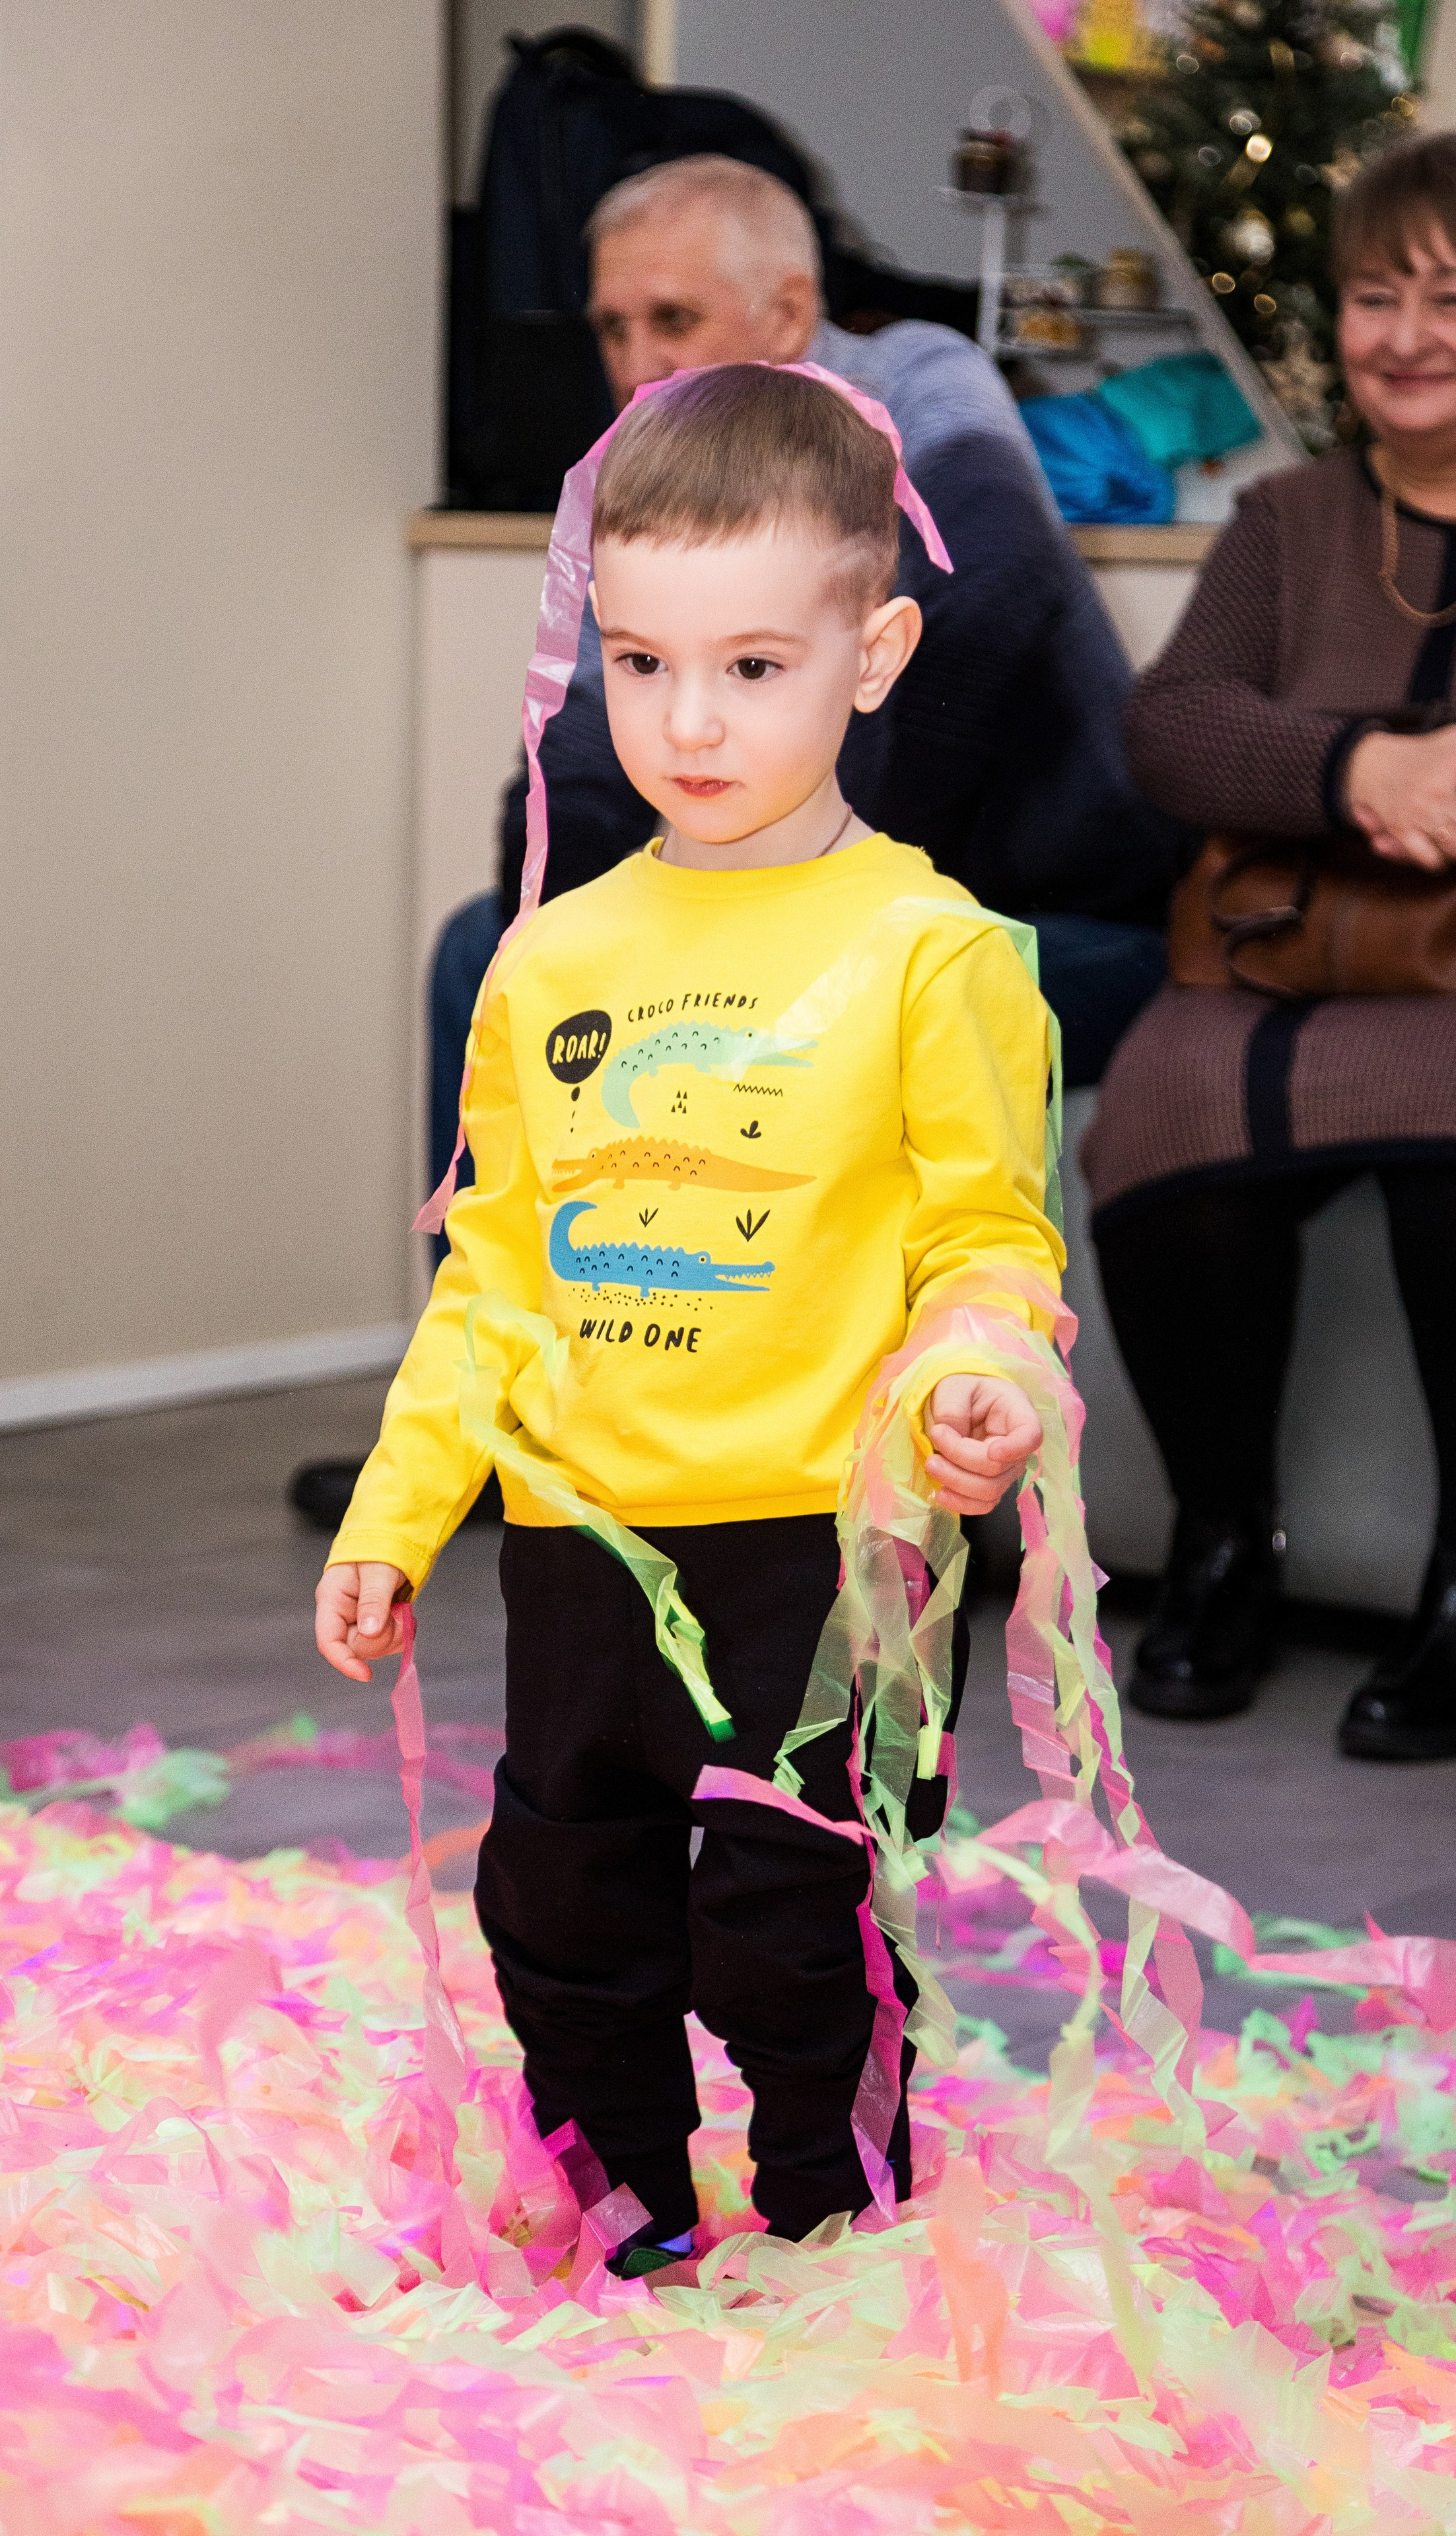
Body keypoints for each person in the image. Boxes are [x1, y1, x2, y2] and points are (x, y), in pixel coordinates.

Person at [315, 365, 1062, 2258]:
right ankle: (625, 2203)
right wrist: (399, 1513)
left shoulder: (936, 953)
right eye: (639, 665)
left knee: (795, 1922)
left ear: (871, 652)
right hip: (580, 1540)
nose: (689, 720)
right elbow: (491, 1277)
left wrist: (980, 1377)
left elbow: (990, 1237)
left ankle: (835, 2224)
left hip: (824, 1549)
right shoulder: (544, 956)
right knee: (566, 1912)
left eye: (750, 666)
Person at [291, 153, 1171, 1539]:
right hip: (797, 907)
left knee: (851, 991)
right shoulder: (646, 488)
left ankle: (820, 1469)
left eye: (672, 322)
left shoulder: (919, 373)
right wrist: (578, 930)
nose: (635, 361)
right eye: (611, 328)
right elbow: (578, 756)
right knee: (490, 944)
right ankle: (492, 1421)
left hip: (1050, 914)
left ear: (787, 309)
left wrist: (822, 895)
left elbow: (985, 576)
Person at [1082, 129, 1456, 1763]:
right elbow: (1165, 728)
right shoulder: (1287, 517)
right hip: (1277, 956)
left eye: (1454, 294)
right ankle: (1224, 1552)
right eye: (1374, 295)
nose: (1405, 333)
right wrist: (1352, 770)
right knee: (1159, 1115)